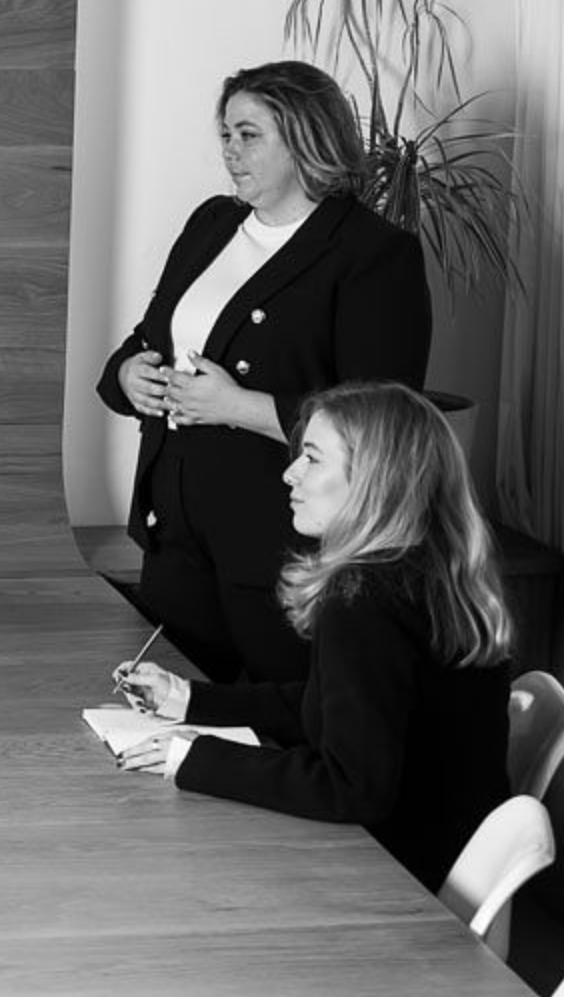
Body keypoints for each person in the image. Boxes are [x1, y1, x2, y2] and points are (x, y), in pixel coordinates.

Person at [96, 61, 432, 683]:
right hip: (175, 531)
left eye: (249, 135)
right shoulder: (212, 224)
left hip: (277, 540)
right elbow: (151, 337)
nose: (230, 151)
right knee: (173, 706)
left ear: (306, 137)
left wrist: (237, 406)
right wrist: (127, 376)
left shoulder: (373, 253)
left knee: (275, 720)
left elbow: (383, 422)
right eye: (225, 134)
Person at [113, 382, 514, 890]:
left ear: (374, 478)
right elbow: (339, 705)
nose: (289, 474)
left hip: (401, 880)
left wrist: (193, 756)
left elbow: (352, 788)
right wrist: (190, 699)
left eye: (312, 458)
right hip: (452, 853)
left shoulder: (364, 599)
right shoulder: (425, 570)